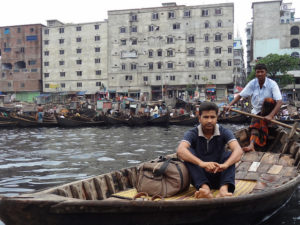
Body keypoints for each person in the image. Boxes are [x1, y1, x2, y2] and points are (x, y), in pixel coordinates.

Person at [177, 102, 243, 199]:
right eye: (206, 117)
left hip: (219, 174)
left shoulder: (224, 132)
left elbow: (238, 151)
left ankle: (223, 190)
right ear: (199, 118)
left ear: (217, 118)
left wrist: (225, 165)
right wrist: (201, 163)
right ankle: (205, 190)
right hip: (199, 177)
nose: (209, 121)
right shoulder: (192, 133)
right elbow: (180, 150)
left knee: (230, 155)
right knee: (188, 153)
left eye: (212, 117)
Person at [225, 64, 282, 152]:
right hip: (257, 112)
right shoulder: (253, 83)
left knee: (268, 100)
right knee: (254, 127)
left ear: (265, 73)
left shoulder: (272, 84)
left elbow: (279, 102)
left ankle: (258, 140)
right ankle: (251, 145)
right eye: (257, 72)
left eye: (262, 72)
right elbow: (240, 95)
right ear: (255, 73)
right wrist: (230, 105)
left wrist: (270, 116)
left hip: (270, 111)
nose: (259, 74)